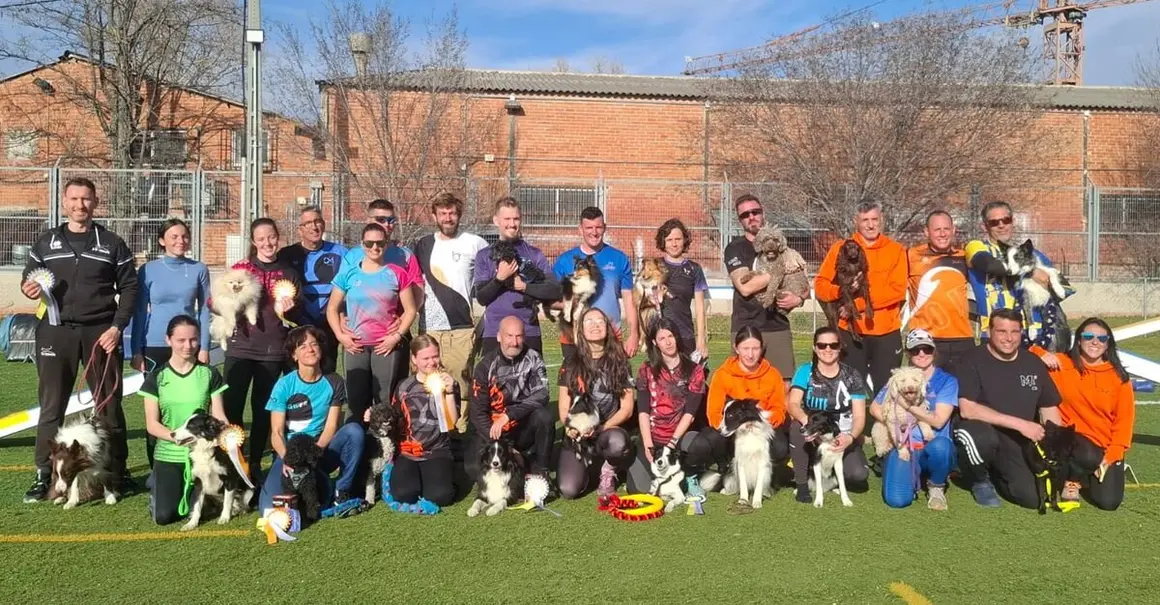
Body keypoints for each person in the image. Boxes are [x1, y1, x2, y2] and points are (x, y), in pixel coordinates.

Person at [21, 177, 139, 503]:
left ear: (95, 202)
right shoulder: (47, 242)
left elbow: (130, 287)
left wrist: (117, 327)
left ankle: (118, 471)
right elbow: (30, 279)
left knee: (109, 407)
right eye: (74, 199)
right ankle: (45, 474)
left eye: (86, 199)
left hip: (101, 332)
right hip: (55, 332)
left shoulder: (112, 243)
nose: (79, 205)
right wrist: (27, 288)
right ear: (64, 202)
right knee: (51, 407)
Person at [220, 218, 304, 486]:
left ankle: (255, 464)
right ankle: (232, 463)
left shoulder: (289, 272)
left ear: (278, 238)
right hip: (240, 348)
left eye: (271, 237)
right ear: (253, 242)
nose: (267, 243)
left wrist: (290, 309)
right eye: (261, 239)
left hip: (273, 351)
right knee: (232, 409)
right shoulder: (242, 270)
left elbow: (297, 316)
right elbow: (217, 302)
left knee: (262, 411)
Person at [953, 309, 1063, 509]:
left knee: (1032, 498)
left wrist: (1055, 447)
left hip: (1018, 439)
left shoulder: (1033, 363)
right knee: (981, 438)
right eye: (1002, 331)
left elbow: (1049, 407)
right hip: (982, 431)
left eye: (1014, 331)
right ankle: (978, 479)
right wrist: (1021, 424)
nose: (1009, 338)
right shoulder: (972, 359)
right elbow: (967, 409)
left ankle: (998, 473)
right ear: (989, 331)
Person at [130, 218, 211, 467]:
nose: (180, 241)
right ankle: (157, 465)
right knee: (158, 408)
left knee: (193, 402)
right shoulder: (148, 270)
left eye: (184, 236)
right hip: (155, 345)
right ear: (162, 240)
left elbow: (205, 311)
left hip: (188, 345)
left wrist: (204, 346)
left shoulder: (199, 269)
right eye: (174, 236)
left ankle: (197, 460)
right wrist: (136, 350)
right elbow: (140, 311)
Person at [1033, 317, 1135, 510]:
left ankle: (1085, 472)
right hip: (1073, 440)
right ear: (1078, 340)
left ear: (1107, 345)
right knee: (1086, 455)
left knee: (1109, 502)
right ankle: (1072, 478)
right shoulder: (1061, 364)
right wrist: (1040, 353)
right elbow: (1024, 354)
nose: (1095, 341)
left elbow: (1124, 423)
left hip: (1104, 446)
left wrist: (1111, 456)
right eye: (1088, 336)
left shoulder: (1118, 377)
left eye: (1101, 338)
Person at [259, 325, 365, 511]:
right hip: (291, 454)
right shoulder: (284, 385)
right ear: (294, 355)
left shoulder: (334, 381)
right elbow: (276, 432)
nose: (310, 349)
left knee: (354, 431)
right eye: (303, 346)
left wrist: (313, 456)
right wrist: (289, 460)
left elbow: (331, 426)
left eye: (314, 344)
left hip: (320, 449)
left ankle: (342, 489)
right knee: (269, 508)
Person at [139, 315, 227, 525]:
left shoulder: (209, 373)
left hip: (203, 453)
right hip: (170, 453)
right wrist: (175, 437)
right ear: (168, 340)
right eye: (181, 340)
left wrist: (228, 436)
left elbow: (219, 415)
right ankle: (159, 488)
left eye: (194, 340)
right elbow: (152, 425)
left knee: (209, 507)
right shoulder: (157, 377)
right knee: (165, 517)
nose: (188, 346)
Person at [328, 223, 418, 426]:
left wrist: (396, 337)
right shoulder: (348, 274)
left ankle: (386, 452)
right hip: (355, 346)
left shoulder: (397, 273)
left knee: (384, 403)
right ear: (362, 244)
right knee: (356, 402)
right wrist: (341, 336)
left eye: (380, 243)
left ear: (387, 244)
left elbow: (411, 310)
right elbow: (332, 308)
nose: (375, 248)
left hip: (385, 347)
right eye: (369, 243)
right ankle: (357, 451)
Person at [815, 201, 908, 394]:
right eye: (865, 220)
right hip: (850, 332)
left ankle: (886, 424)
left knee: (888, 392)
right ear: (855, 222)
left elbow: (897, 290)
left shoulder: (896, 250)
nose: (871, 225)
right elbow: (820, 286)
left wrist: (856, 305)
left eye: (875, 219)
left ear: (882, 220)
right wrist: (840, 293)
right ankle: (851, 425)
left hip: (886, 332)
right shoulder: (840, 248)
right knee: (849, 393)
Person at [413, 192, 488, 431]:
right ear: (434, 215)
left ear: (459, 215)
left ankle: (458, 435)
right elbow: (413, 284)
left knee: (459, 387)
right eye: (443, 213)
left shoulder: (475, 243)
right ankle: (431, 433)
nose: (448, 218)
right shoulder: (423, 245)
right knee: (428, 384)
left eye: (452, 213)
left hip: (461, 329)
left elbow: (490, 279)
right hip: (430, 329)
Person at [690, 327, 790, 491]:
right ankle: (724, 467)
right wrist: (735, 428)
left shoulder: (772, 375)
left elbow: (778, 409)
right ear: (736, 348)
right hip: (731, 430)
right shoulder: (722, 374)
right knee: (707, 439)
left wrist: (761, 424)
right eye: (745, 348)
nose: (750, 354)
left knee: (779, 447)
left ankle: (764, 477)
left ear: (761, 348)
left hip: (759, 429)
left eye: (755, 348)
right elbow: (713, 412)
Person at [870, 329, 958, 511]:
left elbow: (938, 421)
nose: (921, 354)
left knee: (942, 447)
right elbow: (874, 408)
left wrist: (908, 407)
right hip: (902, 445)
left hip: (931, 445)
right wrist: (895, 423)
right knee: (897, 500)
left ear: (934, 351)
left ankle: (936, 486)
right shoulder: (898, 379)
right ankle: (906, 471)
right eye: (915, 350)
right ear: (908, 353)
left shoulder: (946, 381)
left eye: (927, 349)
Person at [965, 200, 1073, 342]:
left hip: (1033, 333)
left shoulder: (1032, 254)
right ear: (985, 226)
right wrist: (1030, 272)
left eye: (1006, 220)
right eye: (994, 222)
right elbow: (989, 265)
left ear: (1012, 222)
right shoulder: (977, 247)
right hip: (994, 333)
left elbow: (1064, 290)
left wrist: (1047, 282)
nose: (1001, 225)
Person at [786, 327, 871, 504]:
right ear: (815, 348)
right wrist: (809, 425)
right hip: (814, 430)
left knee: (858, 475)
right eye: (822, 345)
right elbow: (793, 404)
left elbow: (859, 416)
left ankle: (835, 477)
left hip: (842, 433)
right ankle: (802, 484)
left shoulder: (852, 375)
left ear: (840, 347)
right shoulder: (805, 371)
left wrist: (850, 437)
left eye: (833, 345)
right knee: (796, 427)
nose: (827, 350)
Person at [556, 308, 635, 499]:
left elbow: (627, 408)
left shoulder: (620, 362)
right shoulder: (571, 362)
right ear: (581, 330)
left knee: (617, 442)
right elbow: (564, 405)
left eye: (600, 321)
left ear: (608, 328)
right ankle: (588, 466)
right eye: (589, 321)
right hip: (578, 436)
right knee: (569, 489)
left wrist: (601, 428)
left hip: (607, 431)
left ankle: (608, 470)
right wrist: (570, 428)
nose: (595, 325)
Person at [724, 194, 803, 382]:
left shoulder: (781, 245)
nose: (751, 217)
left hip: (777, 325)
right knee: (742, 385)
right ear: (740, 220)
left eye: (755, 212)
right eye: (745, 215)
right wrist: (780, 270)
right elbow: (745, 287)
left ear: (763, 213)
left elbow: (800, 281)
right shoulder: (735, 248)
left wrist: (799, 299)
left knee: (783, 385)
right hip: (745, 325)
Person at [465, 316, 555, 481]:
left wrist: (509, 415)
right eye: (509, 336)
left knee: (545, 416)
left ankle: (542, 470)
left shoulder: (534, 358)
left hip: (522, 427)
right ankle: (516, 457)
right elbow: (478, 413)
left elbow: (542, 394)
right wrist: (503, 446)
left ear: (524, 337)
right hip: (494, 430)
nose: (514, 342)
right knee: (473, 469)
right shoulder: (485, 366)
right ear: (499, 336)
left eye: (519, 336)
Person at [625, 319, 708, 497]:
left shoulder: (694, 370)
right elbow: (643, 411)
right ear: (655, 342)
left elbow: (690, 414)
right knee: (637, 490)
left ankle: (690, 475)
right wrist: (648, 444)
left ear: (677, 337)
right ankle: (667, 477)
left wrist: (672, 443)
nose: (668, 342)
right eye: (662, 338)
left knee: (699, 445)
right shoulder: (646, 369)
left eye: (671, 336)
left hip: (679, 437)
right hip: (654, 437)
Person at [473, 197, 561, 357]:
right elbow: (482, 298)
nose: (512, 224)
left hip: (529, 331)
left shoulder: (534, 254)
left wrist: (524, 286)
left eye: (516, 219)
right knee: (495, 382)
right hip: (495, 333)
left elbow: (554, 289)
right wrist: (499, 278)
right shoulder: (484, 255)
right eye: (507, 219)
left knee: (532, 382)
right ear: (496, 220)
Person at [552, 206, 639, 359]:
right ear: (580, 229)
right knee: (575, 382)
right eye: (589, 227)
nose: (594, 232)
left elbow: (629, 301)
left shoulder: (619, 258)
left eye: (598, 227)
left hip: (611, 335)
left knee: (614, 382)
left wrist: (633, 334)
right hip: (573, 337)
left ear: (604, 228)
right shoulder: (564, 261)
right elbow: (551, 300)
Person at [389, 335, 461, 507]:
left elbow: (453, 421)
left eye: (435, 356)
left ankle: (445, 477)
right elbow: (394, 416)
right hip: (409, 450)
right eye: (425, 358)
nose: (431, 362)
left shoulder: (448, 383)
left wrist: (450, 392)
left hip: (437, 450)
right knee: (404, 495)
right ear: (414, 359)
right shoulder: (403, 386)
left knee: (440, 497)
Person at [279, 206, 347, 374]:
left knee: (327, 374)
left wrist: (344, 314)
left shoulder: (341, 252)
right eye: (308, 223)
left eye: (317, 221)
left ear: (323, 225)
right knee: (296, 376)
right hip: (296, 325)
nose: (314, 226)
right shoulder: (286, 255)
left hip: (328, 325)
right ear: (299, 230)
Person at [906, 210, 973, 373]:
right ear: (926, 232)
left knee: (962, 394)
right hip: (925, 339)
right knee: (925, 394)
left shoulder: (965, 257)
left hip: (961, 338)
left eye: (946, 229)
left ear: (953, 230)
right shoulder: (911, 256)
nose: (942, 234)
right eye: (937, 230)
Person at [655, 218, 709, 362]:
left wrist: (701, 339)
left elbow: (699, 307)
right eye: (669, 239)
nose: (674, 244)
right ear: (663, 242)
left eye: (678, 239)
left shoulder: (694, 269)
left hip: (685, 334)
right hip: (660, 335)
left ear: (685, 240)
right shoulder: (654, 266)